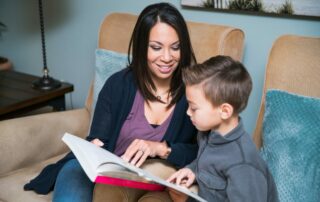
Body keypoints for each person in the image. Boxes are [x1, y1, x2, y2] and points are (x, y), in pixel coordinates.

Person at [24, 2, 198, 202]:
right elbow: (99, 138)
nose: (167, 57)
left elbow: (205, 152)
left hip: (146, 178)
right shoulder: (118, 84)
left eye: (175, 48)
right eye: (156, 47)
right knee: (71, 180)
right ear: (142, 47)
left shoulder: (194, 92)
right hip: (103, 170)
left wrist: (160, 148)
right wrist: (94, 145)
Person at [167, 56, 279, 202]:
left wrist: (187, 201)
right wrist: (192, 170)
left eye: (193, 108)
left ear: (225, 111)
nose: (188, 112)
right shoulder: (208, 133)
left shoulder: (243, 165)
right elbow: (207, 163)